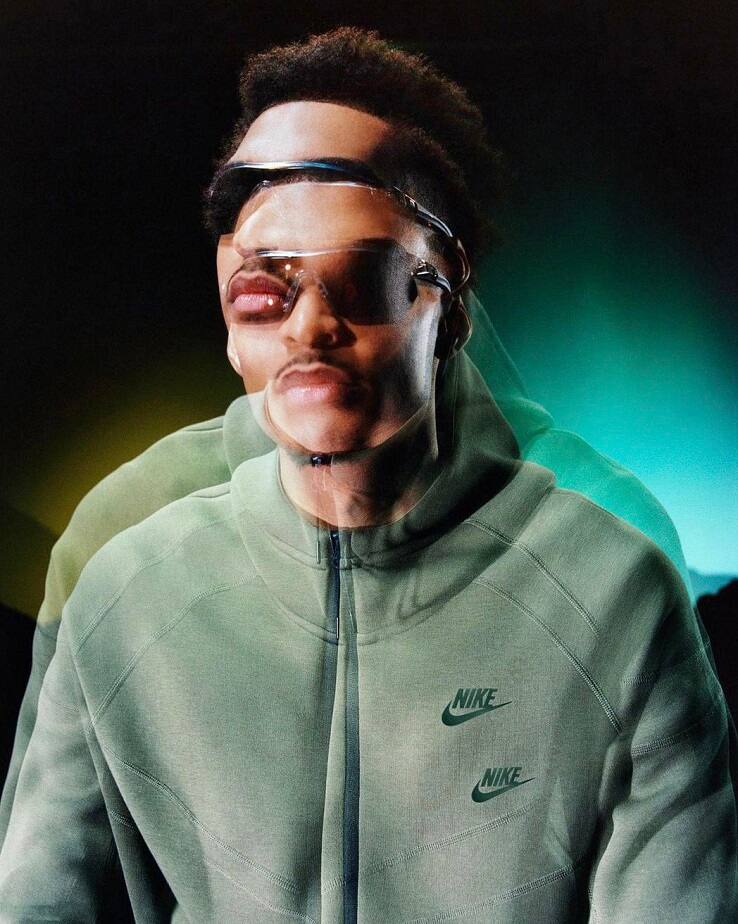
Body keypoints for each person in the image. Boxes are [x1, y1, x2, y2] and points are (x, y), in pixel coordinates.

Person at [0, 27, 734, 923]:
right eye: (264, 292)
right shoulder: (124, 585)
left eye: (362, 279)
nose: (308, 327)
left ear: (448, 296)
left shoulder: (611, 594)